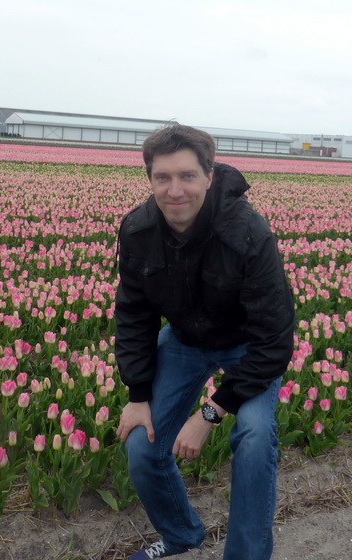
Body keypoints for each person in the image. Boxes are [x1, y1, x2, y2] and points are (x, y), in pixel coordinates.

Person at [114, 123, 295, 560]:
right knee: (141, 441)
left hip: (248, 349)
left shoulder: (248, 233)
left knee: (253, 437)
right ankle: (180, 536)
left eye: (187, 176)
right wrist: (138, 393)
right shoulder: (138, 230)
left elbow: (274, 339)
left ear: (209, 176)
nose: (175, 190)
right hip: (184, 341)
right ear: (150, 179)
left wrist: (210, 413)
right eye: (163, 177)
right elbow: (135, 313)